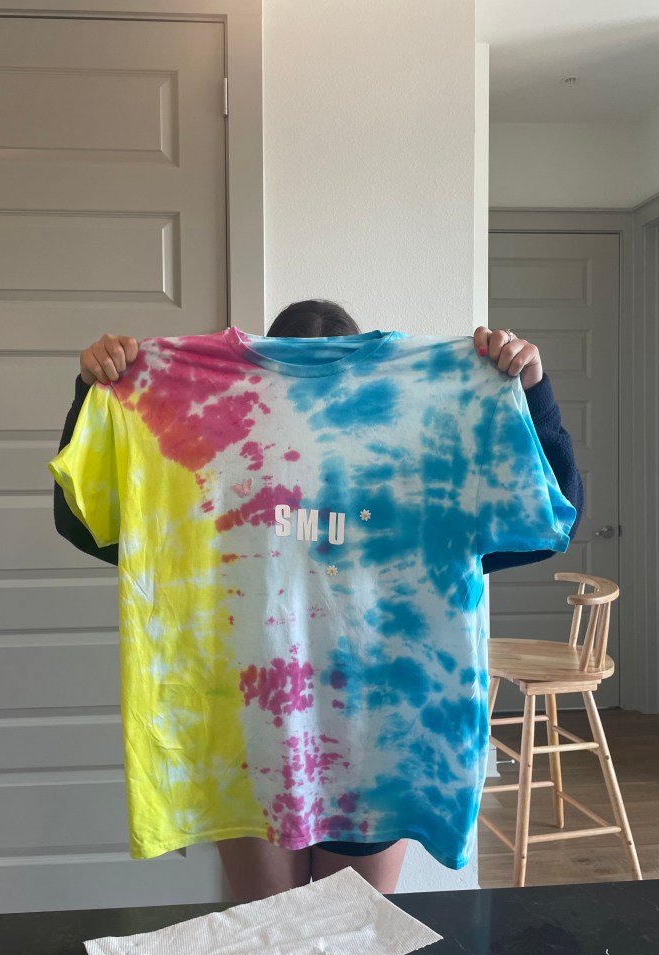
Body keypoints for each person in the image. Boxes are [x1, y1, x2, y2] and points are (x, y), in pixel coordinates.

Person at [52, 300, 583, 901]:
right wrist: (98, 392)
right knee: (281, 936)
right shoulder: (192, 413)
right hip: (260, 732)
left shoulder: (441, 408)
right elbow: (89, 521)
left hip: (375, 737)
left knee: (342, 938)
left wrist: (529, 391)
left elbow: (551, 517)